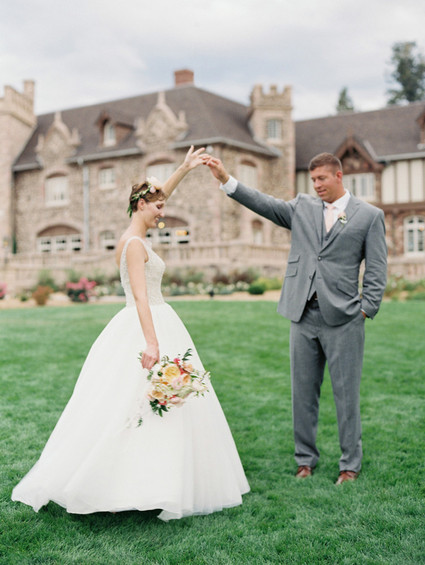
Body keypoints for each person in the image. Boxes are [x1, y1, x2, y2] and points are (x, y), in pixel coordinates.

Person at [12, 146, 249, 520]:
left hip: (153, 319)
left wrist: (184, 168)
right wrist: (152, 343)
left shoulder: (133, 236)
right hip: (146, 325)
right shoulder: (135, 244)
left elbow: (160, 195)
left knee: (157, 403)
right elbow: (140, 296)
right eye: (158, 208)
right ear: (141, 205)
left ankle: (157, 479)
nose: (162, 212)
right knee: (137, 401)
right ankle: (122, 481)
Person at [206, 152, 387, 484]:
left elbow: (377, 267)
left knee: (347, 396)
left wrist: (366, 309)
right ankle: (305, 460)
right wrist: (226, 180)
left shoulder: (369, 216)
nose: (316, 185)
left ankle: (349, 465)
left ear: (338, 176)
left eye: (322, 178)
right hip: (302, 313)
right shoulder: (302, 207)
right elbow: (265, 204)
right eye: (313, 179)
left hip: (345, 318)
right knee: (302, 394)